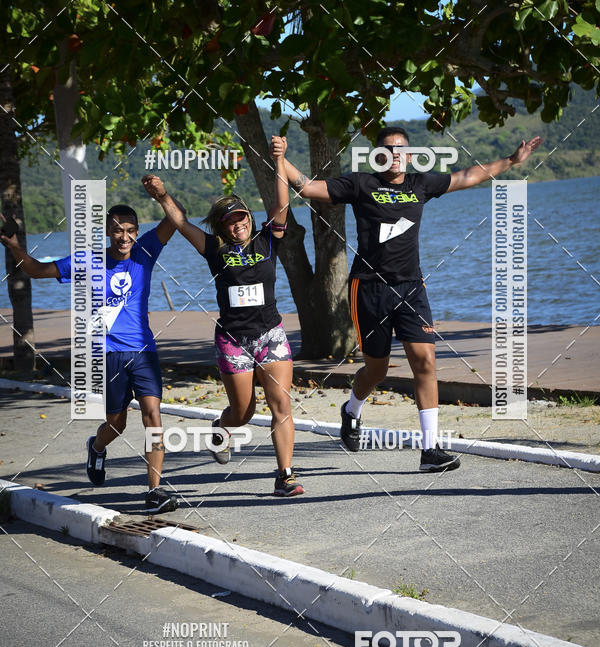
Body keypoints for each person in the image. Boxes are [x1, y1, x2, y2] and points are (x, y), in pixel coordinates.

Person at [281, 126, 542, 471]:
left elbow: (467, 176)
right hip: (369, 289)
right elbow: (310, 188)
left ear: (409, 153)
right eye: (387, 150)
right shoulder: (361, 184)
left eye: (401, 150)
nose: (394, 156)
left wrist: (511, 160)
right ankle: (352, 410)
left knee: (425, 363)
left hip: (411, 287)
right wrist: (281, 160)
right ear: (378, 154)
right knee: (377, 370)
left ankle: (430, 451)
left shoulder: (420, 184)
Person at [141, 134, 304, 497]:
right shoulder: (214, 249)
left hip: (270, 335)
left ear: (249, 217)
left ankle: (285, 475)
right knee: (242, 413)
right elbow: (182, 224)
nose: (238, 224)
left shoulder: (267, 240)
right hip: (233, 341)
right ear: (221, 227)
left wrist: (279, 159)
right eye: (230, 221)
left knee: (281, 404)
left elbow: (281, 202)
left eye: (242, 217)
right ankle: (221, 425)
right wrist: (163, 196)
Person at [1, 203, 182, 513]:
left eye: (129, 231)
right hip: (109, 353)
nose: (124, 237)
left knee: (153, 415)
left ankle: (154, 491)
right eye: (117, 231)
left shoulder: (146, 251)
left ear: (136, 233)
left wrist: (161, 194)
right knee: (117, 423)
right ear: (108, 232)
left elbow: (177, 219)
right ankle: (97, 446)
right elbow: (36, 270)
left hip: (143, 350)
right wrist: (15, 245)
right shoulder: (89, 260)